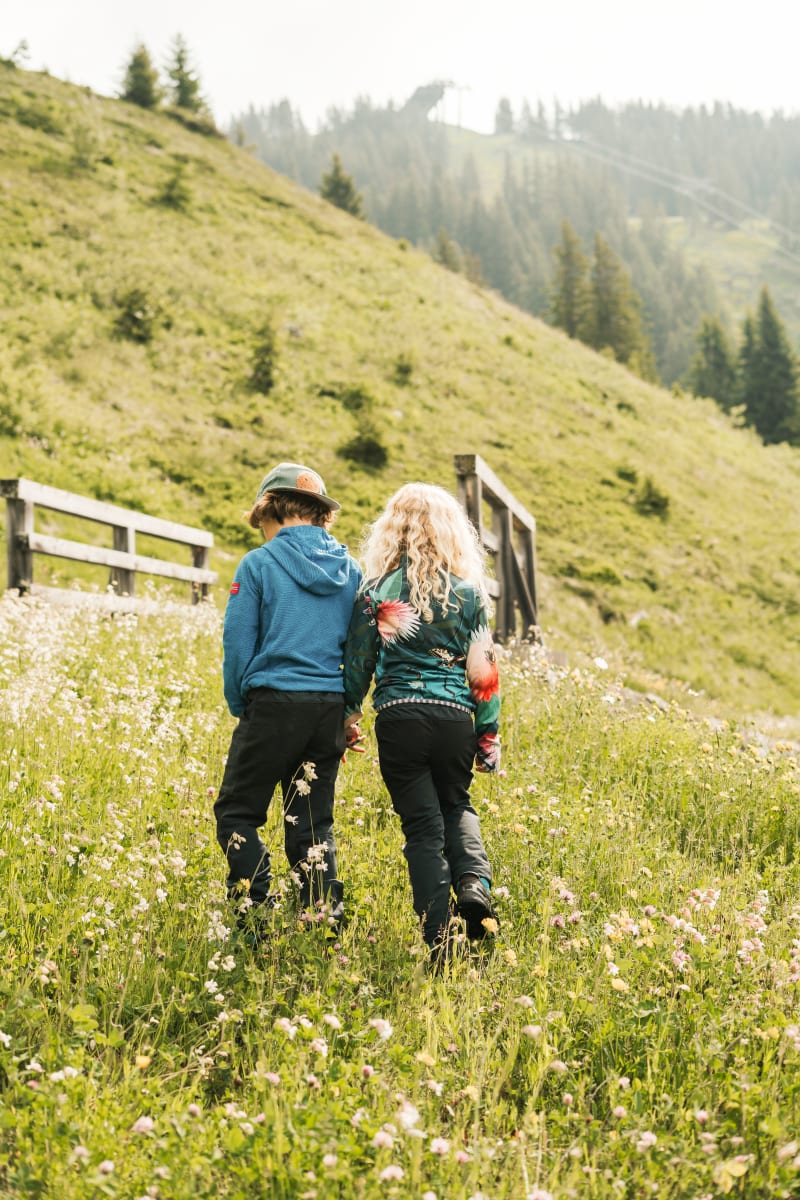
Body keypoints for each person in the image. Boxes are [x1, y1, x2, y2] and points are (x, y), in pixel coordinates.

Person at [343, 482, 501, 965]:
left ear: (393, 531)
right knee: (457, 803)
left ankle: (440, 941)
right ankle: (473, 883)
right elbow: (484, 670)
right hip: (455, 716)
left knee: (422, 828)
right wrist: (487, 736)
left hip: (399, 717)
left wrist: (349, 714)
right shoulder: (470, 594)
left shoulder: (375, 591)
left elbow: (358, 660)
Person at [214, 462, 362, 936]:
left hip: (273, 704)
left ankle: (255, 913)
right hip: (327, 710)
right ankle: (322, 922)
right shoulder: (352, 570)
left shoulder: (258, 564)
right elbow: (359, 649)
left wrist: (241, 704)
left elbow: (239, 644)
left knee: (238, 812)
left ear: (268, 510)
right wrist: (349, 708)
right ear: (320, 515)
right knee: (313, 822)